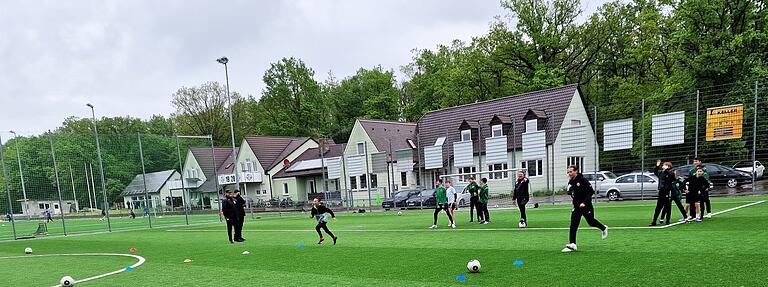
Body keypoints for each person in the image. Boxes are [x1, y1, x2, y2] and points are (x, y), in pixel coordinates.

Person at [562, 165, 608, 253]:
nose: (569, 174)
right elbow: (571, 192)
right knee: (573, 224)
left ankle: (603, 228)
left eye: (571, 172)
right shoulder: (571, 181)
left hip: (586, 206)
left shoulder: (582, 180)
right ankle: (572, 244)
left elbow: (591, 192)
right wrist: (569, 191)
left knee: (591, 222)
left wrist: (584, 202)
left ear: (576, 171)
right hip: (576, 207)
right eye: (568, 172)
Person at [651, 160, 674, 226]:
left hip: (667, 191)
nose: (663, 166)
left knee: (667, 207)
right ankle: (654, 221)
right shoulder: (661, 172)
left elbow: (671, 175)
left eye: (664, 165)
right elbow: (655, 172)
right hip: (661, 191)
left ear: (668, 166)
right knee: (658, 207)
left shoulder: (670, 172)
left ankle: (667, 220)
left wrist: (667, 170)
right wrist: (657, 165)